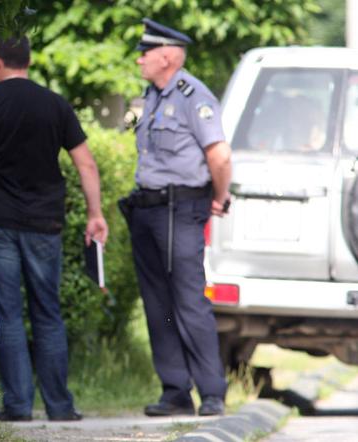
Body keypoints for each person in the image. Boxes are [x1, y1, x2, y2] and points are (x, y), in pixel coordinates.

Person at [0, 36, 109, 422]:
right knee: (48, 311)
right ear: (28, 61)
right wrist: (95, 213)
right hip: (45, 223)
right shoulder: (55, 105)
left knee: (7, 313)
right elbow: (87, 165)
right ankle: (61, 406)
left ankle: (17, 406)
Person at [123, 18, 232, 417]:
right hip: (148, 210)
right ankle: (175, 390)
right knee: (157, 304)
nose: (139, 60)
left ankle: (212, 392)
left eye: (145, 52)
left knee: (188, 301)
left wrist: (219, 198)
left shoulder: (192, 94)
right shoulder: (152, 94)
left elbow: (219, 156)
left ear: (167, 56)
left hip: (180, 209)